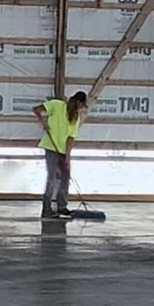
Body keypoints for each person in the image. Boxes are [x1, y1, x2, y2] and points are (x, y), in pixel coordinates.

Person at [33, 88, 86, 219]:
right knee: (52, 177)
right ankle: (46, 209)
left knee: (65, 177)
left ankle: (62, 206)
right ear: (77, 102)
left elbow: (71, 138)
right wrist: (43, 122)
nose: (80, 109)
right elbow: (36, 109)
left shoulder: (75, 118)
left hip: (62, 150)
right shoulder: (56, 105)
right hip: (50, 147)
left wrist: (67, 157)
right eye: (81, 106)